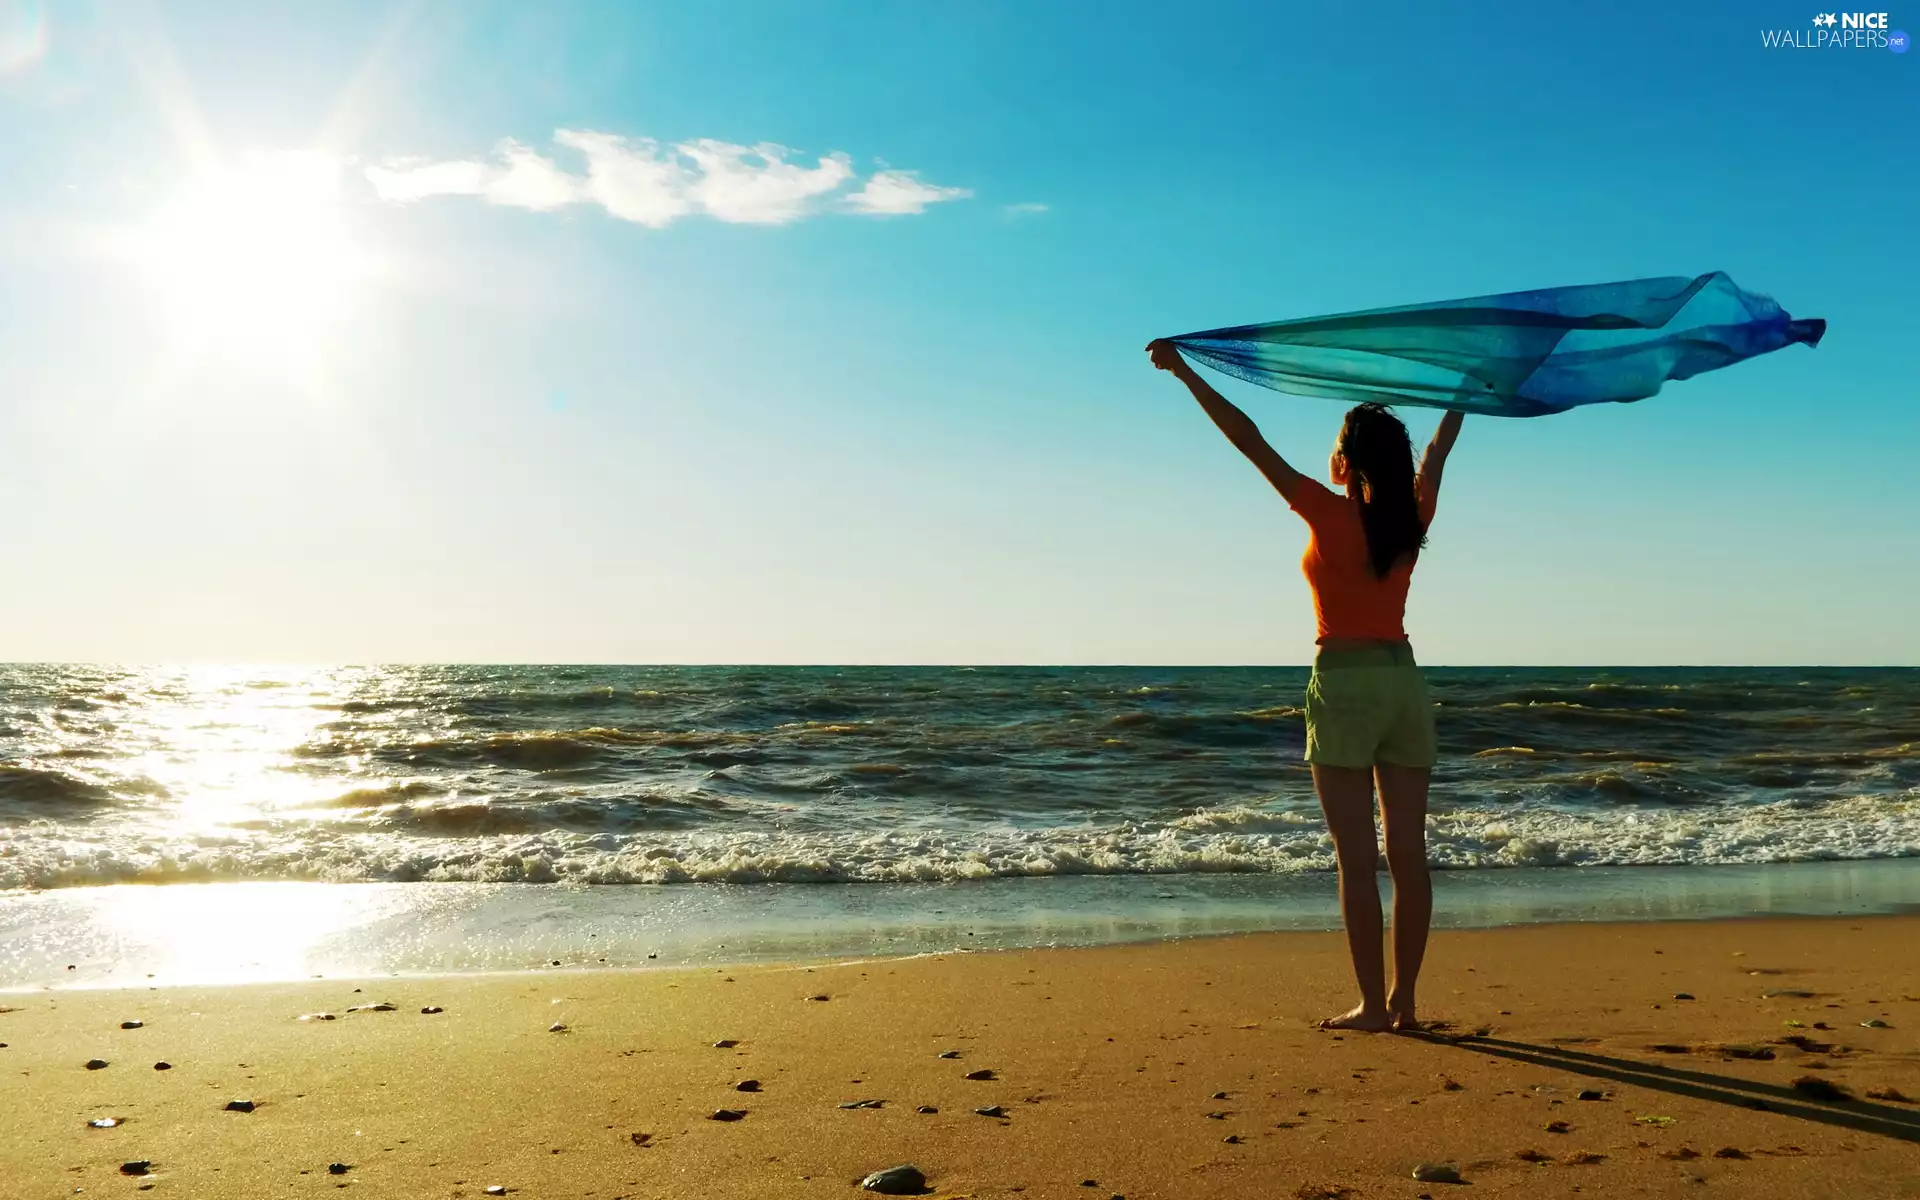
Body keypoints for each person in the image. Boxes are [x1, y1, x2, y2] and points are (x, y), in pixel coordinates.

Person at [1147, 338, 1464, 1033]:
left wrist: (1184, 371)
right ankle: (1407, 1003)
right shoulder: (1413, 517)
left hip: (1344, 681)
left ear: (1344, 461)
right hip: (1403, 682)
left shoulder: (1326, 510)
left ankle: (1373, 1007)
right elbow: (1438, 452)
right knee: (1408, 858)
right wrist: (1471, 386)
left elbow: (1248, 439)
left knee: (1357, 863)